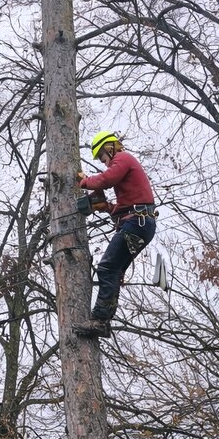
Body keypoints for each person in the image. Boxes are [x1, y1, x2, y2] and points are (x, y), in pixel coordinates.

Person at [74, 131, 158, 338]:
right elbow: (124, 208)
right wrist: (106, 207)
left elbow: (106, 180)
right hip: (139, 223)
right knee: (113, 270)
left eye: (103, 157)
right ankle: (103, 321)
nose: (104, 163)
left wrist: (85, 181)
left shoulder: (123, 158)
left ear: (110, 147)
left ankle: (100, 320)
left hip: (137, 224)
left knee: (107, 267)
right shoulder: (123, 164)